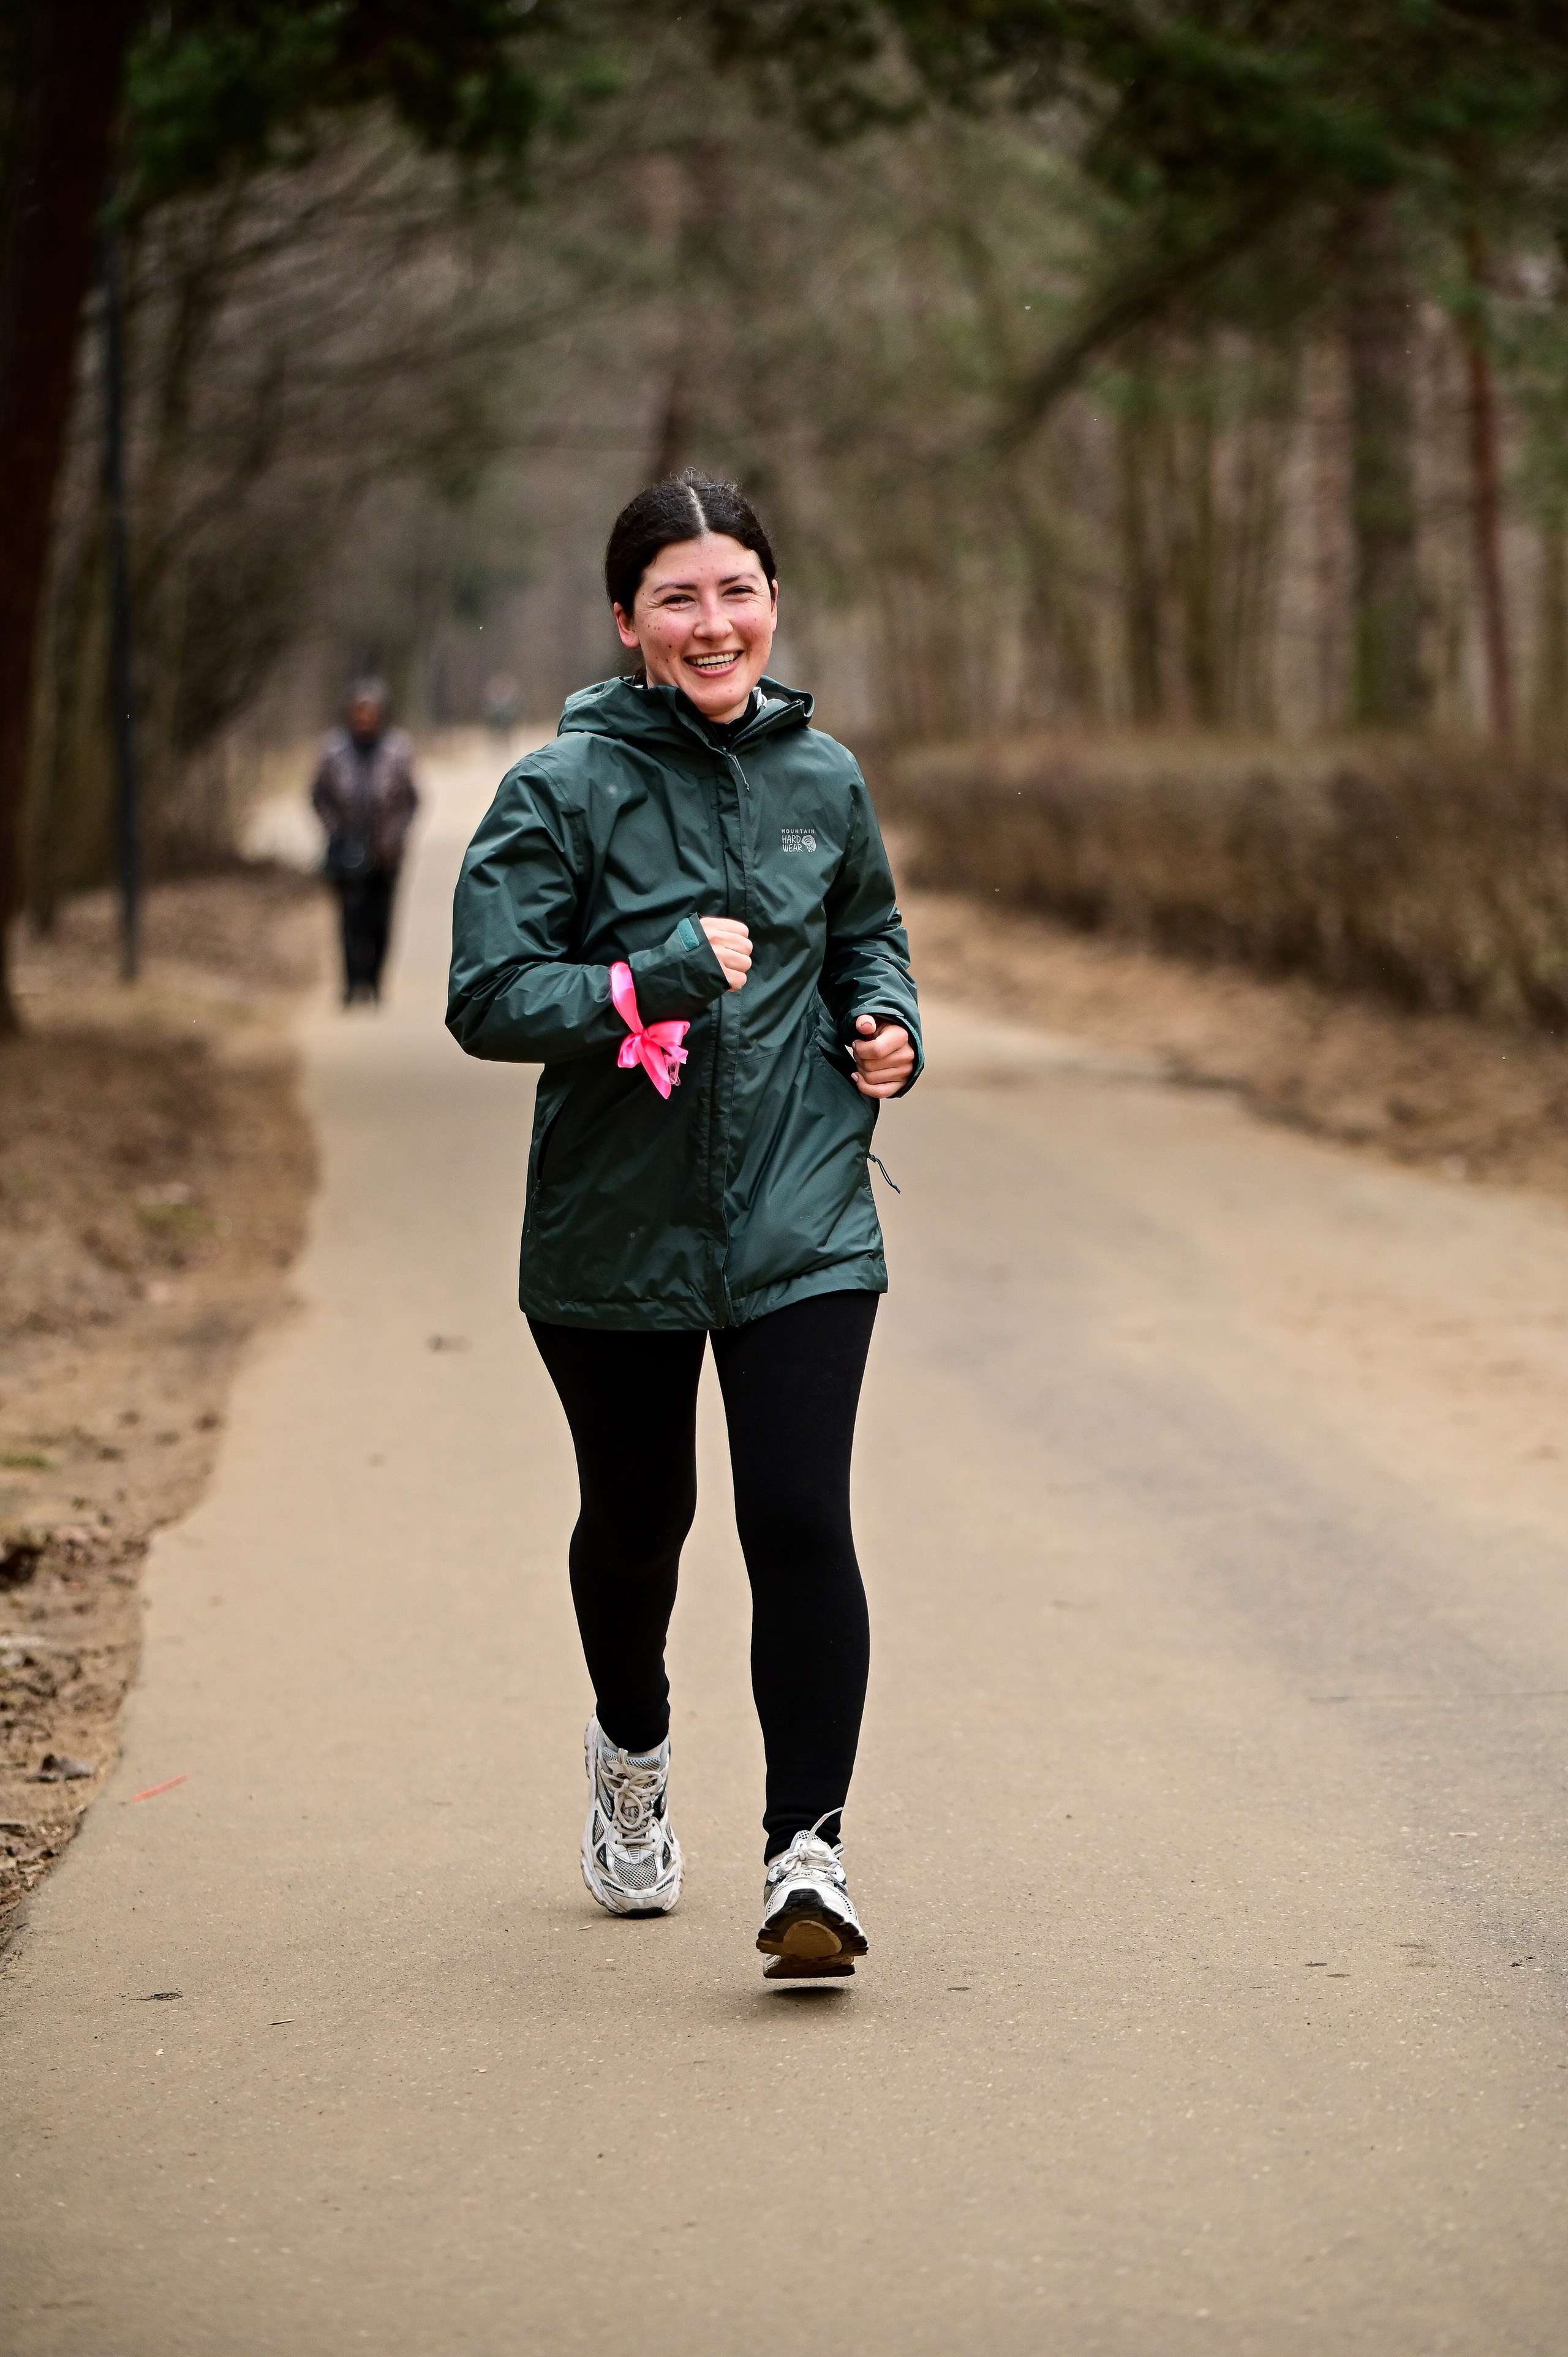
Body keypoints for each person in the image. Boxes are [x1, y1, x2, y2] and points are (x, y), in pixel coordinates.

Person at [447, 473, 921, 1980]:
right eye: (677, 597)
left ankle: (806, 1854)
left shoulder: (822, 777)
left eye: (736, 590)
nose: (713, 623)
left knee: (797, 1516)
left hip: (801, 1212)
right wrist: (643, 977)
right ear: (626, 621)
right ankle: (631, 1747)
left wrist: (885, 1021)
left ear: (772, 601)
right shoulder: (559, 789)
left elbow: (865, 931)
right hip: (615, 1228)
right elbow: (485, 994)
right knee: (640, 1521)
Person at [311, 679, 419, 1005]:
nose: (364, 718)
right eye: (359, 711)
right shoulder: (333, 749)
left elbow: (412, 800)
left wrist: (396, 834)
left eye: (370, 712)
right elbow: (318, 795)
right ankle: (350, 982)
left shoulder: (398, 749)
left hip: (386, 853)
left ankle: (375, 981)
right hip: (345, 850)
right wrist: (335, 830)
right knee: (349, 917)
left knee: (380, 919)